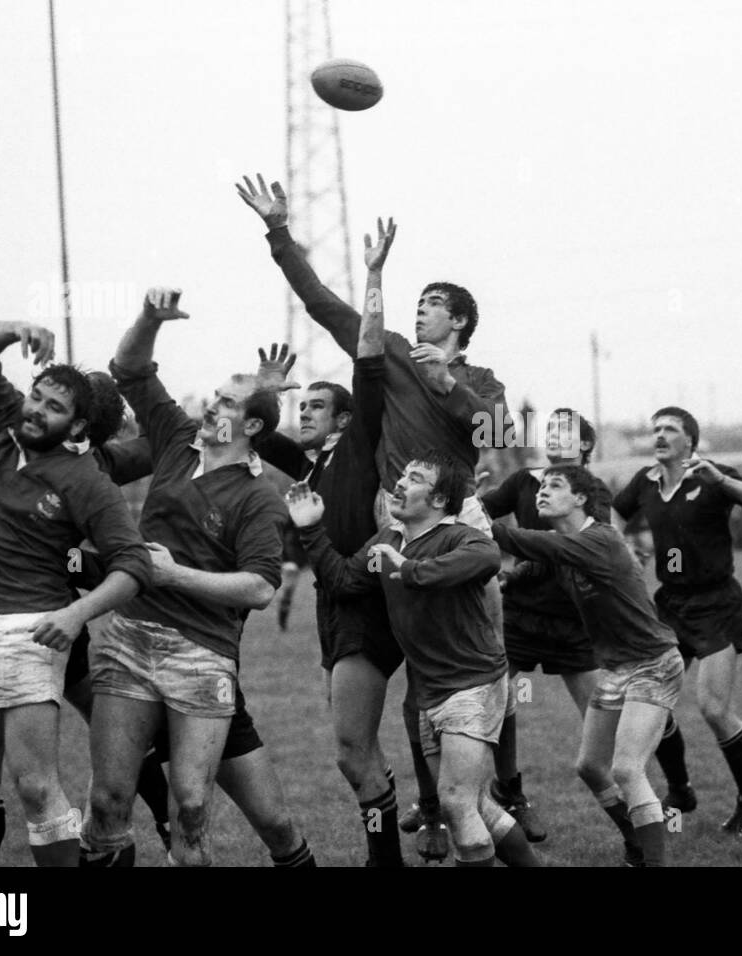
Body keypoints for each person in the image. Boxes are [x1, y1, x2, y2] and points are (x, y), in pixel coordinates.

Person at [236, 179, 511, 852]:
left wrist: (447, 388)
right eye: (418, 304)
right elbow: (320, 300)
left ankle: (502, 790)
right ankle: (426, 816)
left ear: (461, 325)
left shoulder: (481, 382)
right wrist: (278, 232)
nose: (422, 314)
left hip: (455, 529)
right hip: (393, 538)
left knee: (463, 677)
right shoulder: (384, 353)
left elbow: (492, 438)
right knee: (400, 709)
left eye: (435, 307)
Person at [0, 243, 174, 865]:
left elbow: (134, 555)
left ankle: (138, 830)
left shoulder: (94, 477)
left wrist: (78, 615)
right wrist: (8, 324)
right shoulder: (3, 421)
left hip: (36, 632)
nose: (37, 408)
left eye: (56, 406)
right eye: (39, 396)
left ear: (84, 428)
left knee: (31, 782)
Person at [81, 288, 312, 867]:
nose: (210, 406)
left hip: (203, 657)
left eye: (226, 403)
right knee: (107, 801)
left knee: (194, 808)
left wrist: (170, 573)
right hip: (130, 640)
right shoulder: (178, 439)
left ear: (252, 424)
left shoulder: (260, 498)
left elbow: (261, 588)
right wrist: (149, 319)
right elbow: (129, 369)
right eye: (214, 396)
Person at [290, 450, 540, 867]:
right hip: (431, 691)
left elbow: (487, 558)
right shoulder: (386, 540)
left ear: (439, 500)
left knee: (455, 802)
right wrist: (311, 530)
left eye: (416, 478)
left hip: (473, 685)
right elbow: (342, 581)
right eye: (401, 476)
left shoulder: (460, 535)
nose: (400, 483)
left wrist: (411, 571)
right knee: (475, 803)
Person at [255, 217, 410, 866]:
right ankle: (395, 848)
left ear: (346, 418)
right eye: (304, 406)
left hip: (366, 602)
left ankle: (389, 859)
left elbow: (369, 354)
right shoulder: (312, 466)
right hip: (335, 606)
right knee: (357, 752)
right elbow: (260, 435)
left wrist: (374, 275)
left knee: (350, 751)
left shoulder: (361, 443)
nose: (305, 413)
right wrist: (266, 392)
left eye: (317, 406)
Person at [492, 465, 685, 866]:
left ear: (580, 499)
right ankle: (638, 846)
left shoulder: (598, 539)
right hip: (616, 668)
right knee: (591, 767)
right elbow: (539, 561)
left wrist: (478, 518)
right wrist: (509, 578)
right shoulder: (562, 543)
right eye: (541, 485)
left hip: (654, 663)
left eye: (555, 485)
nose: (541, 491)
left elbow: (527, 543)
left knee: (628, 769)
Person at [612, 406, 742, 836]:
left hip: (717, 602)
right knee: (653, 701)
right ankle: (681, 790)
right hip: (669, 605)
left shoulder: (711, 474)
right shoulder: (646, 481)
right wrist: (623, 549)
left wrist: (723, 481)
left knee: (712, 707)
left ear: (690, 440)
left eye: (670, 429)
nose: (660, 435)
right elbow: (616, 513)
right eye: (656, 429)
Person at [478, 408, 610, 842]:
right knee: (495, 699)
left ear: (585, 446)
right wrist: (471, 501)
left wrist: (517, 569)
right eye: (550, 429)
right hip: (519, 616)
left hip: (572, 622)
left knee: (603, 719)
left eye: (566, 431)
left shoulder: (592, 493)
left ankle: (641, 802)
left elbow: (580, 550)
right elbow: (480, 519)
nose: (554, 437)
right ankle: (509, 792)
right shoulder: (522, 481)